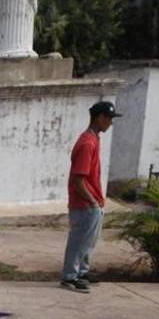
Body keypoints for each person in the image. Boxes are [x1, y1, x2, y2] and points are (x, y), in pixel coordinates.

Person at [60, 101, 119, 293]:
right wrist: (92, 202)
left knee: (88, 241)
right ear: (99, 118)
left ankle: (81, 273)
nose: (110, 123)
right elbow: (79, 179)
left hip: (91, 202)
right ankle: (70, 277)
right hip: (85, 203)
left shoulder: (93, 139)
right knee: (79, 240)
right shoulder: (87, 143)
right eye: (108, 119)